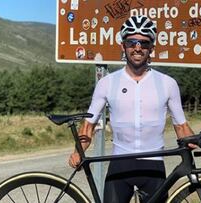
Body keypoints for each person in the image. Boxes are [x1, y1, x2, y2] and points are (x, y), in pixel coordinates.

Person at [69, 15, 194, 203]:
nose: (137, 47)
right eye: (131, 42)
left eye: (144, 43)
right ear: (123, 46)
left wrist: (200, 140)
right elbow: (89, 124)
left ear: (151, 47)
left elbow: (181, 126)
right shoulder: (107, 83)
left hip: (154, 166)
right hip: (120, 165)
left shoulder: (167, 84)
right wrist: (78, 151)